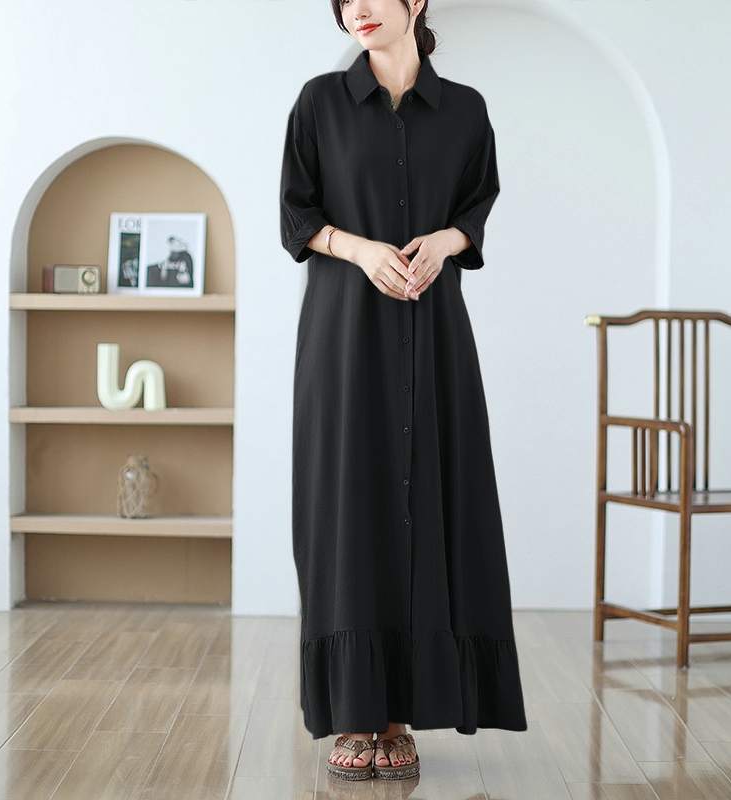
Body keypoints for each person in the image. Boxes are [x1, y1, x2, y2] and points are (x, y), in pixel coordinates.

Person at [279, 0, 527, 782]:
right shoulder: (320, 103)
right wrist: (361, 251)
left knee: (429, 503)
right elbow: (296, 215)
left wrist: (446, 242)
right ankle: (355, 715)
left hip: (435, 333)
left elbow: (477, 205)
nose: (357, 8)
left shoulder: (466, 111)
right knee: (350, 507)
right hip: (344, 337)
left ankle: (398, 719)